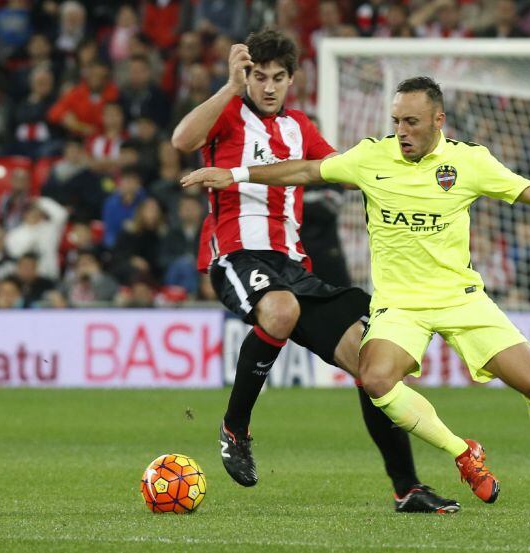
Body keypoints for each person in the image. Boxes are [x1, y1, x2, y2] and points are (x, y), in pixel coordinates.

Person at [182, 76, 530, 509]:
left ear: (438, 120)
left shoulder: (469, 162)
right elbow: (306, 170)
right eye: (396, 121)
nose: (401, 132)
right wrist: (235, 173)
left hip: (461, 299)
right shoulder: (372, 157)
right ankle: (464, 454)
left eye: (411, 122)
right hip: (399, 306)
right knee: (375, 379)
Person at [171, 30, 456, 514]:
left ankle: (407, 488)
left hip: (293, 265)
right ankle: (234, 429)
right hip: (237, 255)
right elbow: (182, 140)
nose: (267, 87)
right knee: (280, 311)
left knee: (373, 368)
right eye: (258, 77)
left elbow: (344, 170)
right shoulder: (227, 113)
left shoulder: (299, 127)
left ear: (291, 81)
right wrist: (228, 86)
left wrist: (409, 175)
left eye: (277, 78)